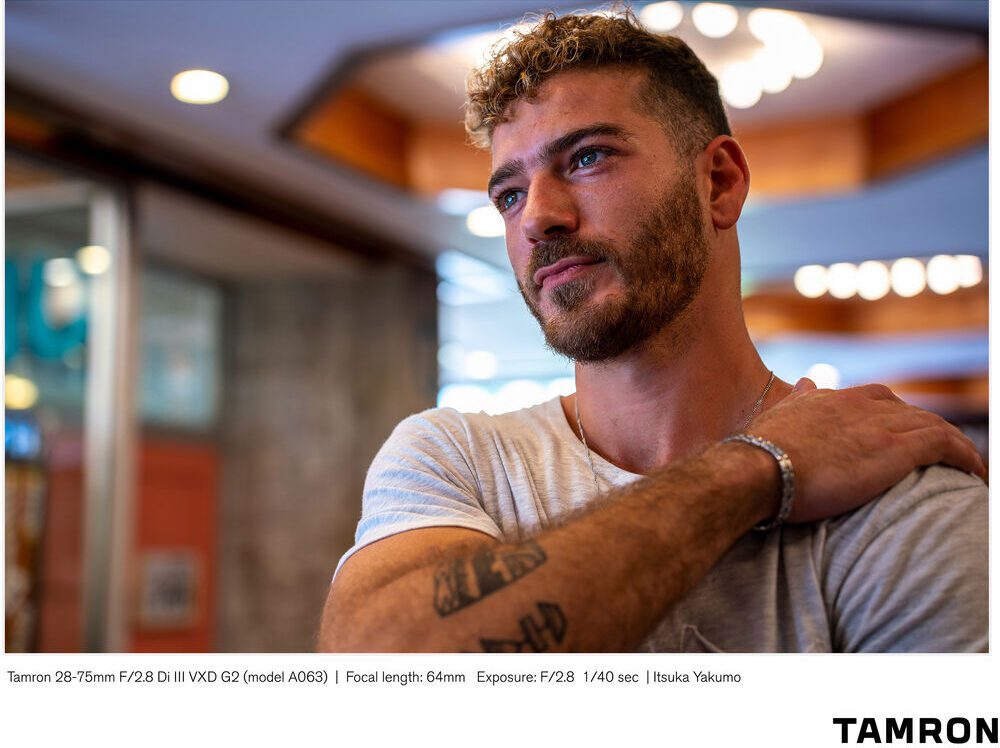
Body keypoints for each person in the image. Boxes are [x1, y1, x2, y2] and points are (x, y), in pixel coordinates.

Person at [319, 12, 987, 652]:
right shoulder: (455, 458)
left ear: (719, 183)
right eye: (510, 194)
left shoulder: (892, 489)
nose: (537, 220)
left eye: (588, 157)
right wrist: (756, 469)